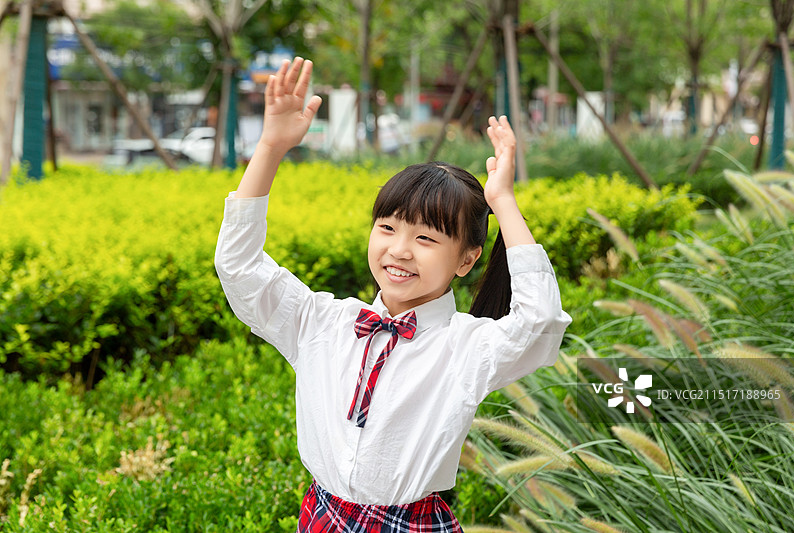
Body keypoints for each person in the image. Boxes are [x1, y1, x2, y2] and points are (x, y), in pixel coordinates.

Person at [214, 56, 571, 532]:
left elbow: (541, 322)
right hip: (321, 518)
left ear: (466, 259)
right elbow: (238, 265)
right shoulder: (320, 322)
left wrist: (502, 200)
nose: (399, 251)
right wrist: (271, 146)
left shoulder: (466, 347)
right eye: (387, 228)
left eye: (426, 239)